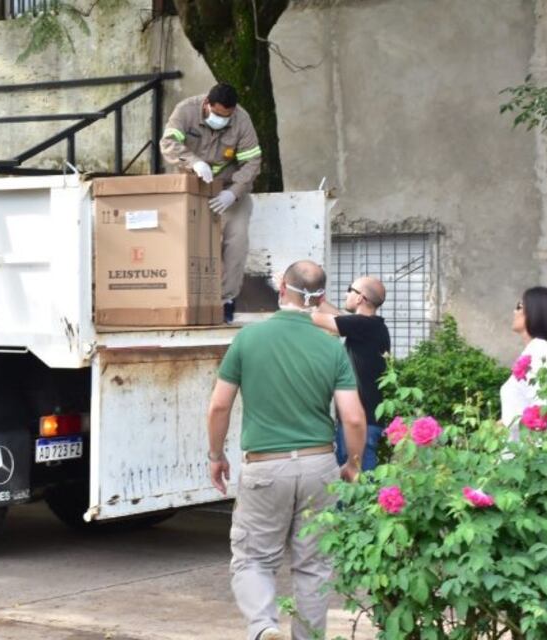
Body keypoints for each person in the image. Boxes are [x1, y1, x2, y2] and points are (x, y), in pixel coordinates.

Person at [206, 261, 366, 640]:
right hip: (319, 464)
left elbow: (219, 406)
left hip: (265, 466)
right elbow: (354, 419)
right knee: (314, 566)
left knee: (254, 560)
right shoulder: (330, 346)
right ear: (322, 298)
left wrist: (216, 456)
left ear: (281, 287)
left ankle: (263, 629)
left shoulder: (248, 339)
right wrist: (353, 464)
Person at [160, 82, 262, 324]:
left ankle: (226, 300)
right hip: (192, 184)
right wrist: (194, 161)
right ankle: (180, 297)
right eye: (217, 115)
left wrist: (234, 192)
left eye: (227, 116)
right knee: (182, 241)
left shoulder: (242, 120)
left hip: (228, 188)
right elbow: (169, 143)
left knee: (236, 240)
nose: (222, 120)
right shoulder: (186, 110)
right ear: (207, 104)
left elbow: (252, 161)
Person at [311, 276, 390, 471]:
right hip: (366, 420)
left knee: (357, 483)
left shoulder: (363, 325)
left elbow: (312, 318)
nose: (346, 294)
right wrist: (320, 301)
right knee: (356, 480)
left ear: (360, 298)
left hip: (359, 422)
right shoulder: (371, 326)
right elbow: (340, 318)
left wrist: (297, 299)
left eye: (350, 290)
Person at [500, 286, 547, 441]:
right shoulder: (536, 351)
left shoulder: (542, 351)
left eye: (519, 306)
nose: (514, 311)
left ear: (537, 312)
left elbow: (545, 410)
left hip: (530, 457)